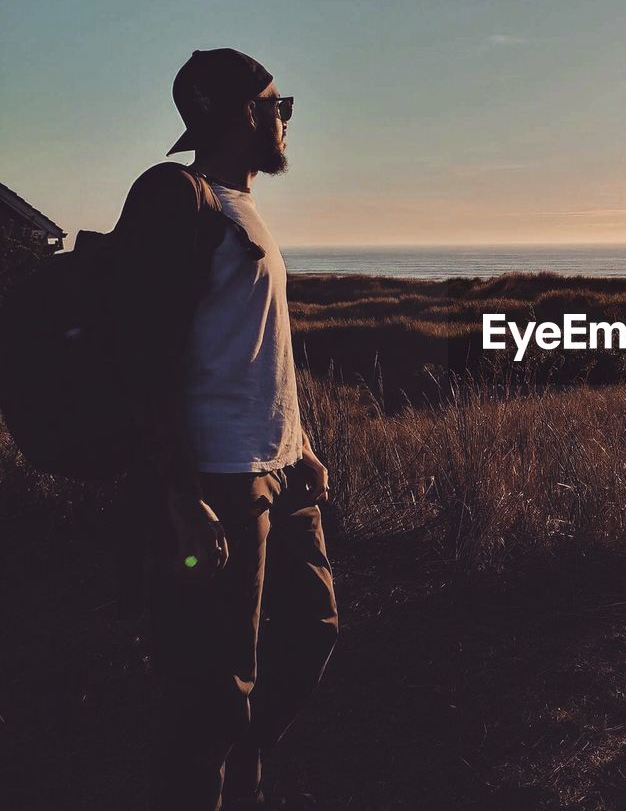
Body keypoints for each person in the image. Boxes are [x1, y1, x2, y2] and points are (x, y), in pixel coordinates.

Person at [111, 48, 338, 810]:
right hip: (215, 483)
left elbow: (248, 346)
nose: (286, 119)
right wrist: (179, 494)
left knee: (310, 631)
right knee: (211, 696)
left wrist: (300, 443)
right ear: (244, 113)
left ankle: (242, 774)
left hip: (276, 472)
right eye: (280, 105)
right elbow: (145, 358)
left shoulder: (241, 207)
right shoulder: (180, 201)